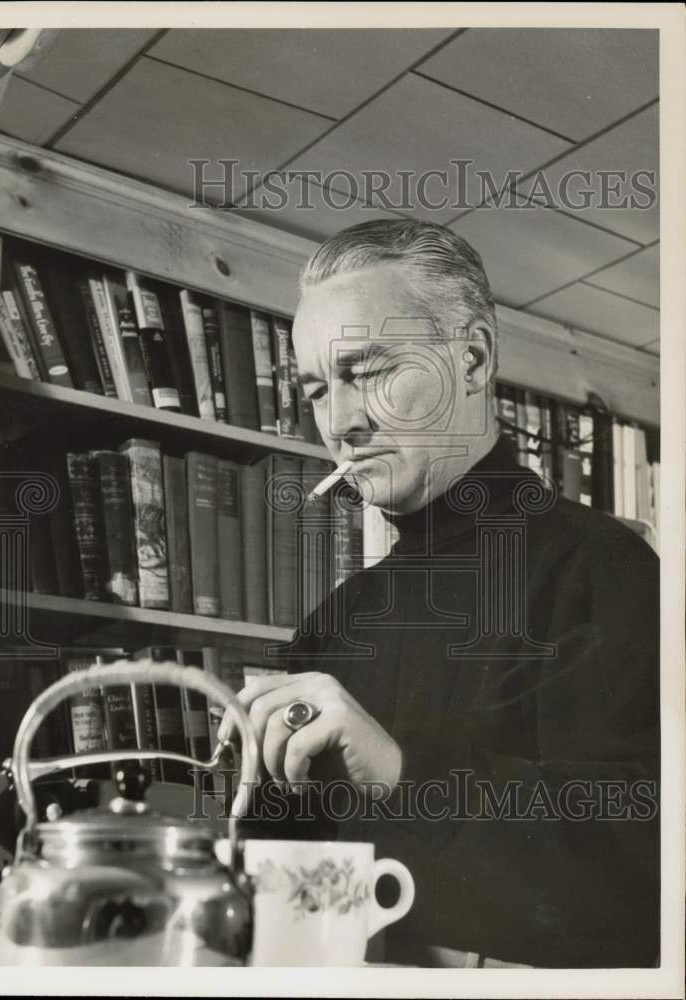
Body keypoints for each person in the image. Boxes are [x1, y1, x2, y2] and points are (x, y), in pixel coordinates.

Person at [221, 220, 659, 968]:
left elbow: (640, 877)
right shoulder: (337, 621)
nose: (341, 422)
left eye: (368, 370)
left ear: (474, 357)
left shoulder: (604, 570)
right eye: (319, 388)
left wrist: (397, 771)